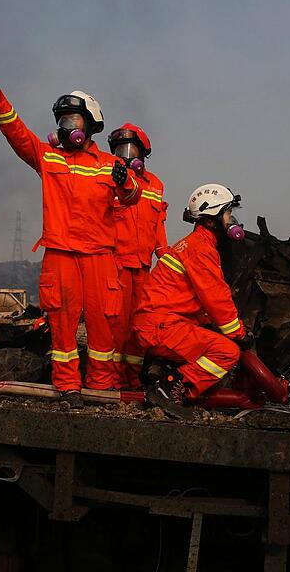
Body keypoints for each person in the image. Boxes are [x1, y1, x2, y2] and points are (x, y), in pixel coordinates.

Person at [0, 77, 141, 405]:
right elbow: (19, 137)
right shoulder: (49, 158)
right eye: (62, 121)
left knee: (104, 329)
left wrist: (126, 181)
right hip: (61, 255)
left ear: (89, 125)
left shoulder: (110, 165)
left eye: (72, 120)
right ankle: (68, 387)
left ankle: (100, 389)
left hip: (100, 257)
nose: (65, 127)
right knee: (62, 328)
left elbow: (132, 197)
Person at [132, 184, 247, 419]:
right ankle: (169, 390)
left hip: (159, 322)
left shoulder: (195, 244)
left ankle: (165, 374)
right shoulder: (200, 248)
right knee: (226, 352)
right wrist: (238, 332)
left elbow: (195, 301)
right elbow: (216, 298)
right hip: (161, 326)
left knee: (210, 335)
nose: (232, 220)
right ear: (212, 219)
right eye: (227, 213)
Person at [107, 123, 167, 389]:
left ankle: (133, 379)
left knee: (140, 326)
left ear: (144, 154)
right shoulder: (109, 180)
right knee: (115, 326)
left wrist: (167, 264)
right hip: (116, 264)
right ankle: (113, 380)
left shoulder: (155, 185)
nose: (127, 156)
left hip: (144, 269)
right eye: (121, 150)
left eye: (132, 150)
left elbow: (159, 228)